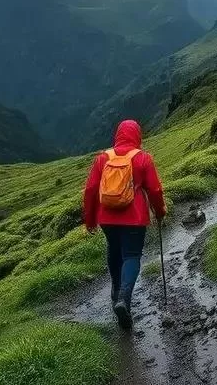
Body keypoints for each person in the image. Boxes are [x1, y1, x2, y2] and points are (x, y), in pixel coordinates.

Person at [83, 119, 166, 329]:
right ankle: (124, 299)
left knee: (114, 249)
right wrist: (160, 211)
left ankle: (115, 289)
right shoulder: (143, 159)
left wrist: (90, 219)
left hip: (106, 218)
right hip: (134, 218)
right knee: (131, 256)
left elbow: (91, 190)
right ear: (137, 135)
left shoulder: (102, 158)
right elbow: (155, 190)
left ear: (118, 135)